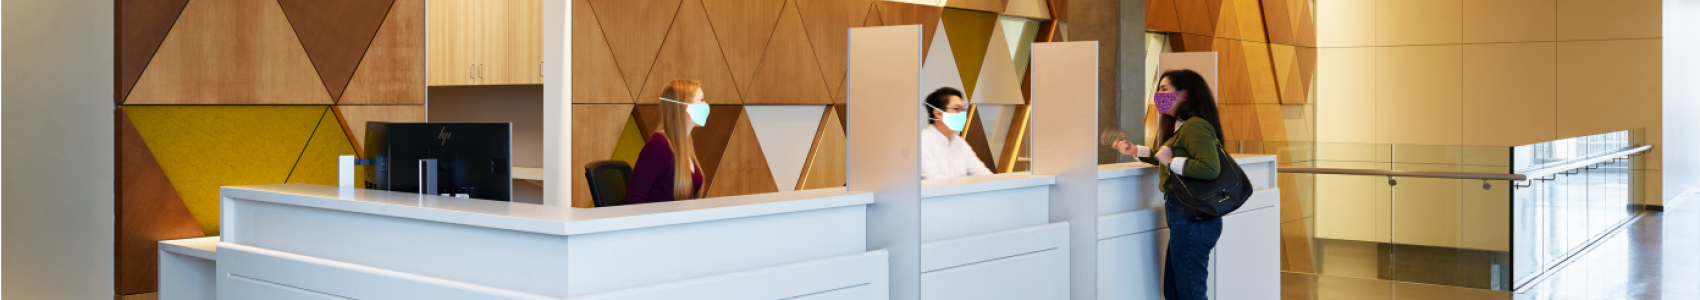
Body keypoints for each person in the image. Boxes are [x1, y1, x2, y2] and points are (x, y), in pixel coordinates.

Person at [1112, 69, 1225, 300]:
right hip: (1184, 215)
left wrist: (1171, 161)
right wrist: (1137, 151)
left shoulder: (1195, 126)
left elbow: (1210, 168)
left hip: (1193, 216)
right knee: (1175, 292)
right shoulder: (1181, 126)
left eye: (1164, 90)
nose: (1158, 96)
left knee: (1189, 294)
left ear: (1183, 95)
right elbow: (1164, 156)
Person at [624, 80, 708, 204]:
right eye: (701, 100)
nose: (706, 104)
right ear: (685, 105)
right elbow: (633, 200)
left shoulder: (687, 146)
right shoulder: (659, 146)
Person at [921, 87, 994, 180]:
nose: (962, 114)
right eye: (957, 109)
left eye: (962, 109)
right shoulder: (922, 141)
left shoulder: (959, 142)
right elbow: (933, 180)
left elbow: (981, 172)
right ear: (938, 113)